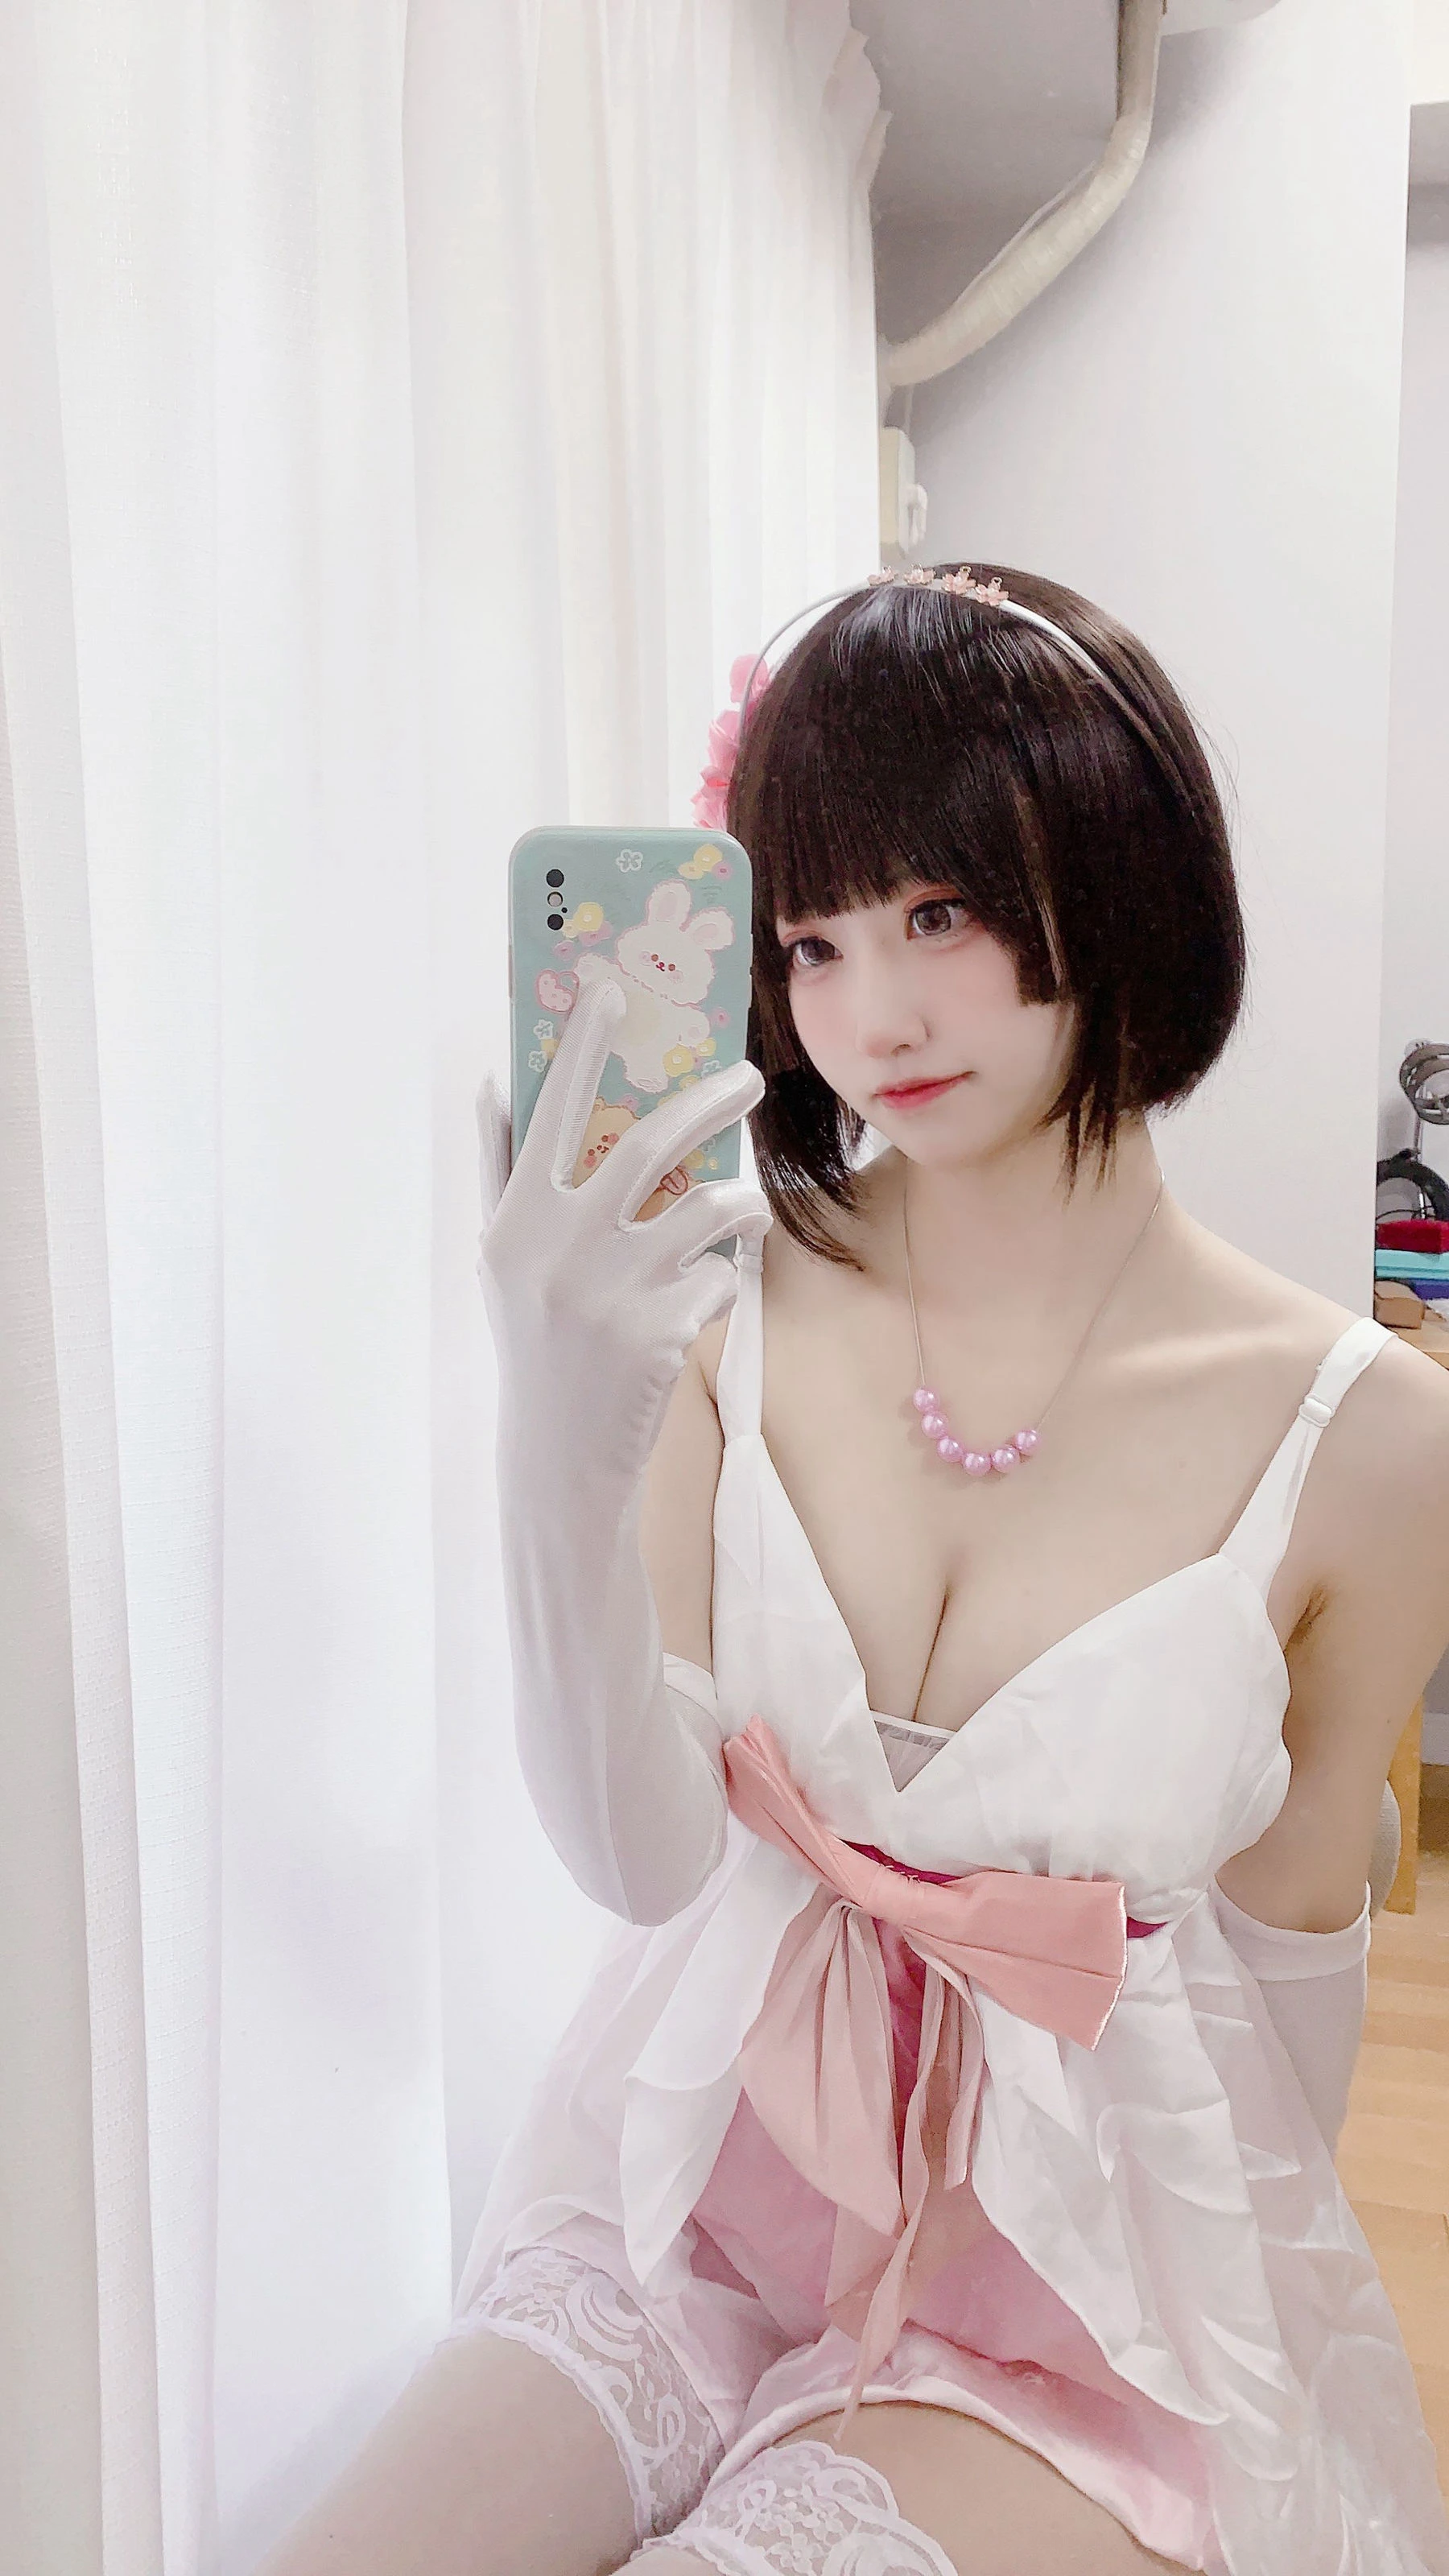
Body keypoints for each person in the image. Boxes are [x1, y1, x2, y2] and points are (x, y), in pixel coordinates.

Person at [262, 567, 1449, 2576]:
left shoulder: (1372, 1439)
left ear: (1121, 873)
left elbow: (1290, 2004)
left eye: (939, 915)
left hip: (1072, 2296)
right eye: (810, 939)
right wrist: (555, 1438)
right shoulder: (717, 1290)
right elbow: (643, 1860)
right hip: (700, 2187)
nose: (868, 1015)